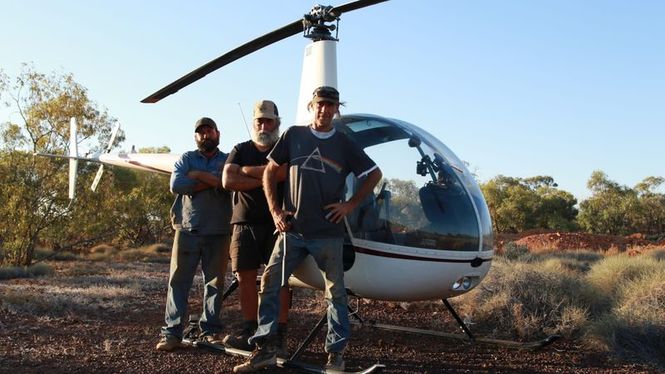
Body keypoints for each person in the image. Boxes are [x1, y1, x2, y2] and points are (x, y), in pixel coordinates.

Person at [233, 87, 382, 373]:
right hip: (292, 232)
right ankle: (265, 348)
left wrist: (350, 205)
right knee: (270, 283)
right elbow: (269, 171)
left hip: (328, 233)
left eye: (330, 105)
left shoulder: (344, 143)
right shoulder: (293, 135)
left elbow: (374, 174)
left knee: (335, 294)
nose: (324, 110)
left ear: (337, 109)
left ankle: (335, 354)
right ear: (311, 106)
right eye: (320, 104)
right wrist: (276, 210)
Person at [156, 117, 232, 351]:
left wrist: (197, 176)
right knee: (178, 282)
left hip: (219, 230)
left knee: (215, 283)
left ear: (217, 134)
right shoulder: (186, 158)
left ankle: (210, 331)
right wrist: (213, 181)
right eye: (200, 132)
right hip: (188, 229)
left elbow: (228, 183)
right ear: (195, 137)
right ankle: (172, 333)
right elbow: (176, 185)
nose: (205, 135)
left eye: (209, 131)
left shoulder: (228, 159)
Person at [221, 100, 291, 353]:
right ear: (254, 123)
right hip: (243, 223)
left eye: (268, 120)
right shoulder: (240, 149)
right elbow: (228, 180)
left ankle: (278, 335)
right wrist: (266, 177)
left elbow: (283, 174)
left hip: (277, 224)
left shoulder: (284, 149)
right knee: (245, 278)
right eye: (259, 121)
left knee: (279, 280)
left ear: (277, 122)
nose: (263, 125)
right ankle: (249, 330)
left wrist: (249, 172)